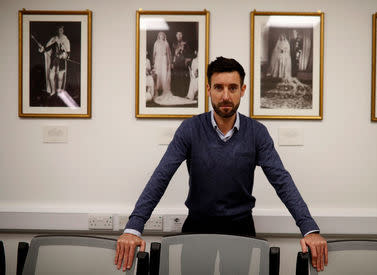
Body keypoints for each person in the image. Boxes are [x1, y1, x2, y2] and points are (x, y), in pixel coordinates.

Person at [114, 57, 328, 272]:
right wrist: (134, 227)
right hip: (197, 228)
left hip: (241, 229)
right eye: (219, 87)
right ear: (208, 89)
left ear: (242, 90)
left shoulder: (257, 133)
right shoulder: (190, 129)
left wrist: (309, 229)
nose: (226, 96)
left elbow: (282, 181)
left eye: (232, 88)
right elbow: (161, 176)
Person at [38, 25, 70, 96]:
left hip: (61, 62)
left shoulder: (65, 40)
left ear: (63, 30)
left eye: (61, 30)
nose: (60, 32)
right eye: (59, 30)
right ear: (57, 31)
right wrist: (42, 48)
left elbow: (68, 52)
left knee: (60, 77)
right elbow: (47, 49)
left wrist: (64, 55)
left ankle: (59, 93)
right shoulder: (54, 40)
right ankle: (53, 91)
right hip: (54, 61)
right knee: (50, 76)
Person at [171, 31, 193, 98]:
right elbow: (172, 54)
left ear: (182, 35)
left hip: (183, 62)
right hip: (176, 62)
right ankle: (176, 92)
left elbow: (189, 52)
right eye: (178, 35)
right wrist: (172, 62)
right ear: (176, 36)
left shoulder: (185, 43)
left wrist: (187, 59)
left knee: (183, 77)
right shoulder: (174, 44)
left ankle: (183, 93)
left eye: (180, 35)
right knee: (176, 77)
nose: (179, 36)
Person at [153, 32, 172, 96]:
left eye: (163, 36)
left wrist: (168, 63)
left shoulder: (166, 43)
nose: (162, 37)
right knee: (158, 73)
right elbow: (154, 53)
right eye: (160, 35)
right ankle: (157, 89)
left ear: (164, 36)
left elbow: (168, 54)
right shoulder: (156, 43)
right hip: (158, 59)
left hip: (164, 59)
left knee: (164, 73)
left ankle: (164, 89)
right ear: (159, 36)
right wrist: (154, 61)